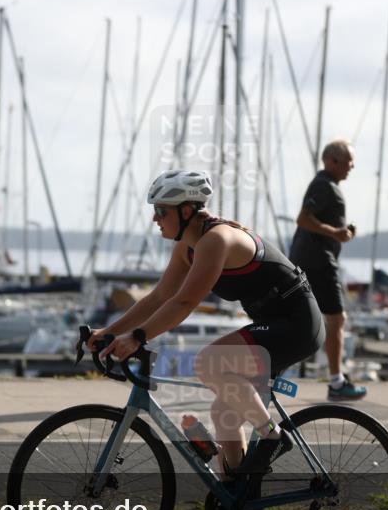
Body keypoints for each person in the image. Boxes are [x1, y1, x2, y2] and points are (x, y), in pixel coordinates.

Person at [91, 170, 325, 477]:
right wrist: (109, 332)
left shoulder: (217, 239)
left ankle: (272, 436)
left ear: (186, 211)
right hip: (273, 323)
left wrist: (137, 336)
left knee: (210, 363)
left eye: (161, 211)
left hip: (297, 324)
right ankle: (238, 496)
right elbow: (159, 296)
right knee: (223, 413)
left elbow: (185, 302)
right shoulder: (187, 247)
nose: (155, 218)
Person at [289, 139, 367, 401]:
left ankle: (267, 370)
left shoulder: (326, 184)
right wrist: (335, 232)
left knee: (301, 319)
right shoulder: (324, 184)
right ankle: (336, 382)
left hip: (311, 259)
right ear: (333, 160)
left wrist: (340, 235)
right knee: (336, 319)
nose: (352, 166)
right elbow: (303, 218)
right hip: (318, 261)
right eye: (349, 161)